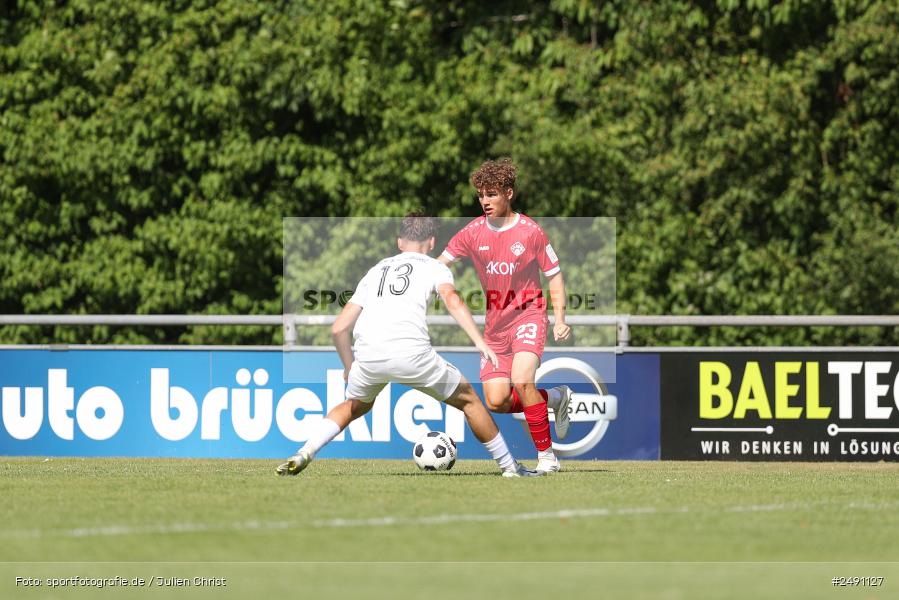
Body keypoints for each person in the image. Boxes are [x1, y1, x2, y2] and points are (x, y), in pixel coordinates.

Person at [277, 212, 537, 477]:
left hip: (368, 355)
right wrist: (479, 341)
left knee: (354, 405)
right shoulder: (435, 267)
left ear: (400, 242)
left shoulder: (376, 270)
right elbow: (452, 299)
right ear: (432, 242)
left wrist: (349, 367)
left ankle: (304, 452)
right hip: (412, 354)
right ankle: (510, 468)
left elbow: (339, 328)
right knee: (470, 400)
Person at [438, 158, 572, 474]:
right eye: (481, 195)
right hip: (495, 327)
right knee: (497, 401)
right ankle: (554, 398)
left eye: (492, 194)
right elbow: (439, 263)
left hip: (529, 317)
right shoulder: (471, 233)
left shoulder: (530, 233)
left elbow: (554, 275)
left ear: (508, 193)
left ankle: (547, 458)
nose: (485, 201)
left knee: (522, 381)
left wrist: (561, 318)